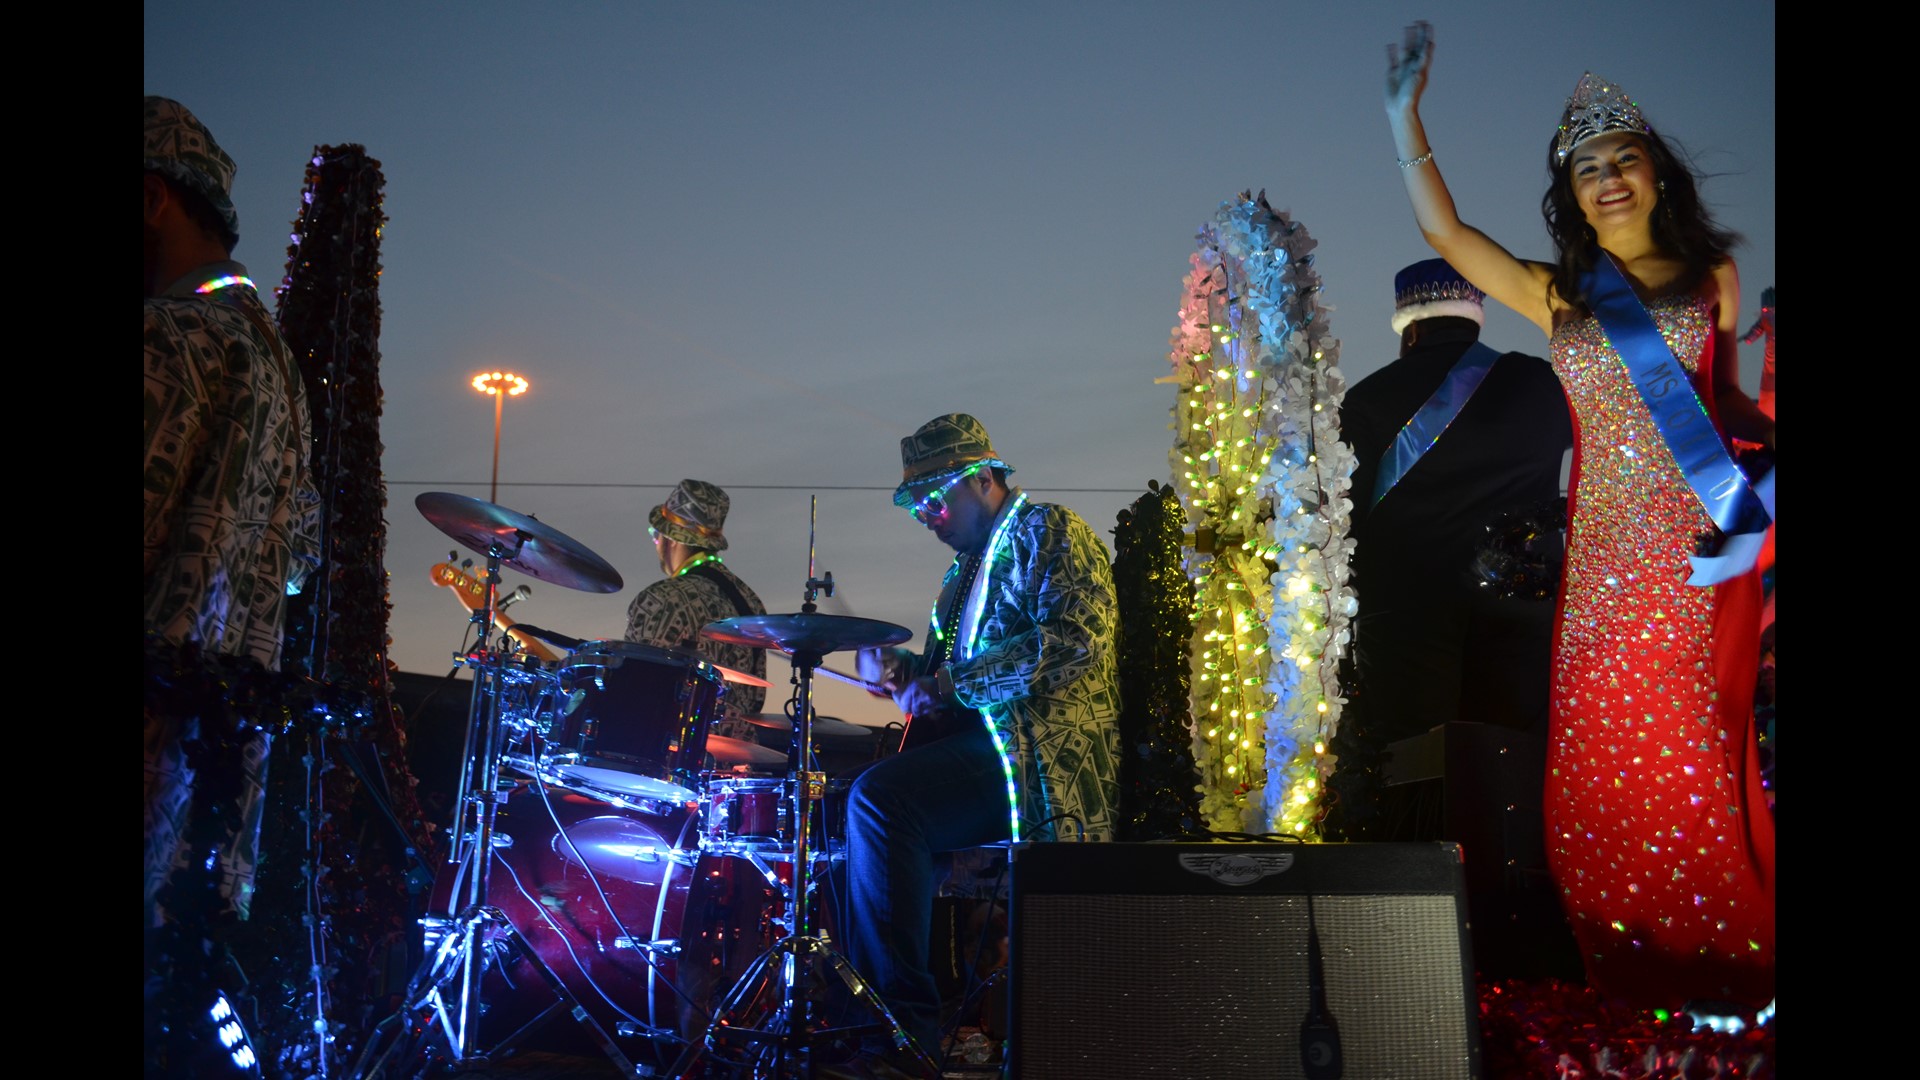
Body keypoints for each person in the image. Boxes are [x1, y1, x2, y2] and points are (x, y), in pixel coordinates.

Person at [1383, 24, 1775, 1016]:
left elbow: (1728, 414)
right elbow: (1451, 240)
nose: (1607, 178)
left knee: (1687, 770)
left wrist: (1757, 508)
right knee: (1597, 779)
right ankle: (1628, 990)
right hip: (1601, 569)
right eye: (1587, 166)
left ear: (1655, 173)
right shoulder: (1562, 295)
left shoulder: (1710, 279)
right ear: (1573, 190)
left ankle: (1724, 993)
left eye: (1622, 158)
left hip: (1689, 562)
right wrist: (1405, 122)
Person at [841, 413, 1121, 1075]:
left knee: (883, 803)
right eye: (917, 508)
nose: (928, 516)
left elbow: (1077, 640)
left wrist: (946, 682)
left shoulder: (1047, 530)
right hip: (983, 756)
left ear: (986, 478)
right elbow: (941, 679)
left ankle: (902, 1033)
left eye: (937, 499)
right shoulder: (960, 579)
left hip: (1041, 762)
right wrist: (899, 671)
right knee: (839, 811)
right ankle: (870, 1016)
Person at [144, 95, 321, 931]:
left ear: (154, 200)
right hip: (203, 810)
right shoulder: (272, 361)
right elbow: (300, 560)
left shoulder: (170, 337)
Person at [1340, 258, 1572, 751]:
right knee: (1514, 754)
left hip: (1407, 608)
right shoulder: (1544, 385)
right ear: (1476, 313)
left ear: (1410, 330)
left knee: (1412, 757)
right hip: (1522, 602)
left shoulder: (1366, 399)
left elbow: (1343, 514)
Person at [624, 479, 768, 737]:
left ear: (671, 539)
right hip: (736, 759)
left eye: (655, 535)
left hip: (672, 754)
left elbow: (638, 692)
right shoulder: (750, 602)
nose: (656, 543)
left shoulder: (661, 598)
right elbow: (756, 698)